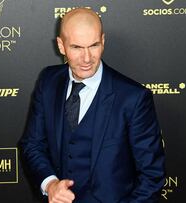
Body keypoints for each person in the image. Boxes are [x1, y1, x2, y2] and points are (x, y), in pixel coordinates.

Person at [20, 8, 165, 203]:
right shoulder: (49, 81)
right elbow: (32, 145)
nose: (87, 58)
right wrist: (51, 184)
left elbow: (152, 176)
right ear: (61, 46)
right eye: (77, 47)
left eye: (94, 45)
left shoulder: (133, 98)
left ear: (103, 41)